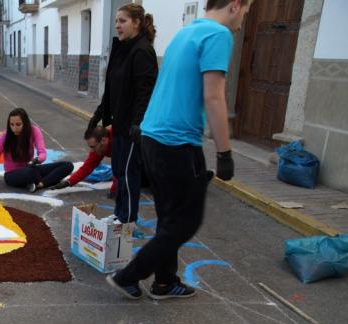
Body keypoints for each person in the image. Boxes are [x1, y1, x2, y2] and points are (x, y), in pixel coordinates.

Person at [106, 0, 249, 301]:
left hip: (153, 136)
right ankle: (128, 276)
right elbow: (214, 96)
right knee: (185, 221)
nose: (243, 19)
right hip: (176, 141)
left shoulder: (187, 32)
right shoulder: (218, 35)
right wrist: (224, 153)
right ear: (235, 5)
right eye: (246, 11)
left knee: (169, 217)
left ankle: (165, 281)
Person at [87, 3, 157, 224]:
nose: (117, 25)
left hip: (131, 126)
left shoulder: (142, 51)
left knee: (128, 173)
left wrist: (138, 123)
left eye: (123, 21)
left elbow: (145, 92)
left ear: (136, 23)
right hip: (118, 123)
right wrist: (98, 115)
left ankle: (128, 219)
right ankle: (120, 213)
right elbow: (111, 90)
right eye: (116, 21)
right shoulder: (122, 48)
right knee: (118, 170)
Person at [0, 108, 74, 192]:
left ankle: (40, 184)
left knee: (68, 165)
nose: (14, 128)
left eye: (18, 124)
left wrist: (37, 160)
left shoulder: (34, 131)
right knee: (32, 173)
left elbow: (42, 153)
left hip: (30, 168)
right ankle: (47, 181)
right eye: (11, 125)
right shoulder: (5, 136)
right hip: (12, 175)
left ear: (25, 123)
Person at [49, 125, 113, 189]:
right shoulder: (99, 146)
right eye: (90, 147)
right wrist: (68, 182)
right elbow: (87, 167)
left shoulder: (118, 142)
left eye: (93, 147)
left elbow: (119, 169)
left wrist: (114, 190)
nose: (92, 150)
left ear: (103, 140)